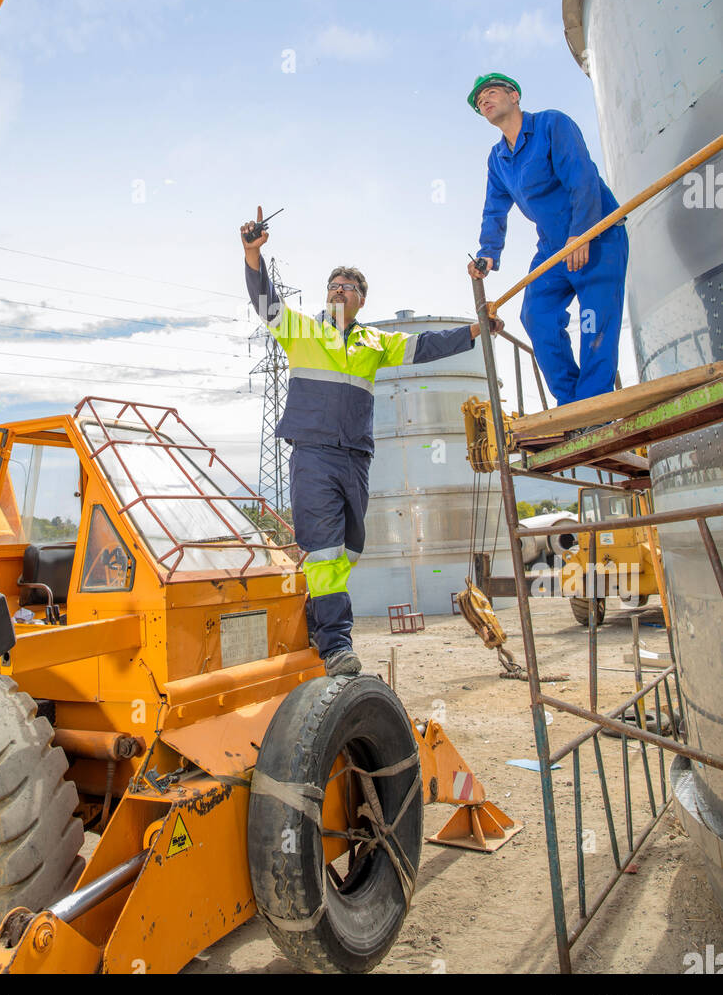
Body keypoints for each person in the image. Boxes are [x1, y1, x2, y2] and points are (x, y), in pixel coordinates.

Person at [242, 206, 503, 676]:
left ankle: (314, 621)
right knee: (322, 550)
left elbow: (427, 348)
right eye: (334, 285)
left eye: (351, 287)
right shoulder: (300, 329)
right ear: (326, 296)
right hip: (313, 454)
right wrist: (252, 253)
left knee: (348, 550)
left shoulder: (374, 343)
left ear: (363, 300)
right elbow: (265, 303)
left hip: (356, 458)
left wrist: (474, 330)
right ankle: (337, 643)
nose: (340, 290)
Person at [466, 73, 628, 407]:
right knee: (536, 315)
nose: (484, 100)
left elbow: (581, 175)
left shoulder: (553, 124)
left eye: (491, 92)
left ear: (515, 96)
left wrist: (582, 232)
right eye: (479, 101)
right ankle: (572, 403)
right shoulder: (498, 159)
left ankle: (595, 405)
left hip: (597, 232)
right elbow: (494, 208)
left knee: (594, 321)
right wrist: (488, 253)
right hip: (552, 247)